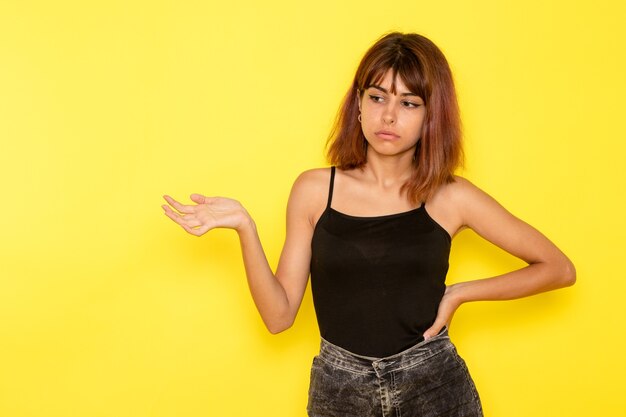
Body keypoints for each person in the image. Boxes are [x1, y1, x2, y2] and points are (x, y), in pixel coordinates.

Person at [162, 32, 575, 417]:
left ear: (432, 115)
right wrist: (245, 228)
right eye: (377, 97)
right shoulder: (313, 190)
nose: (389, 116)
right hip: (339, 390)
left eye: (409, 103)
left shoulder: (451, 196)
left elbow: (558, 268)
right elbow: (278, 317)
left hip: (434, 386)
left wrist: (461, 293)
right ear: (358, 104)